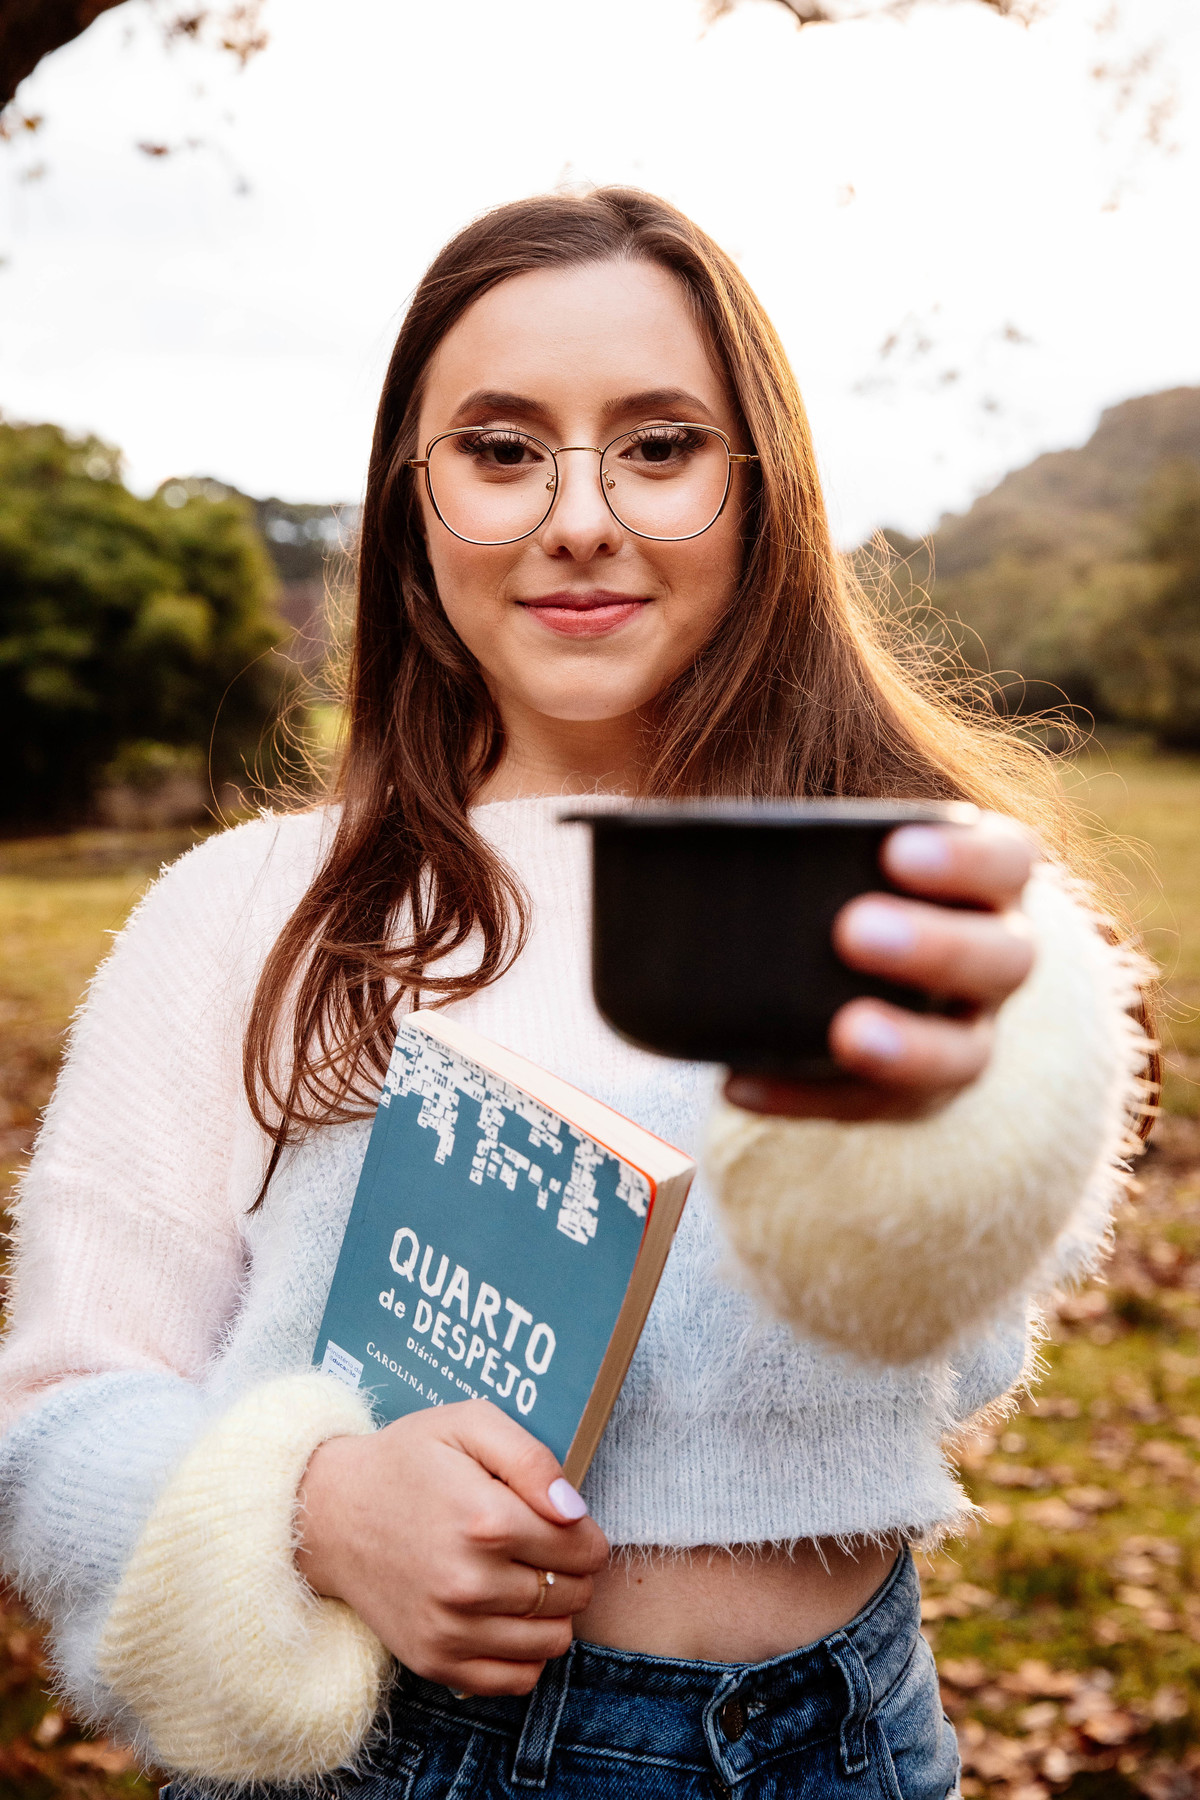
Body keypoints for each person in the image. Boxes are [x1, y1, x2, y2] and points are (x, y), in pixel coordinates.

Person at [0, 190, 1154, 1800]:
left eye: (662, 445)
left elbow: (951, 1352)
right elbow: (61, 1413)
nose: (581, 516)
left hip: (845, 1742)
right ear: (413, 511)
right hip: (395, 1761)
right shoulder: (240, 916)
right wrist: (313, 1510)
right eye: (501, 448)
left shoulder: (905, 890)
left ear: (765, 495)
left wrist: (960, 1121)